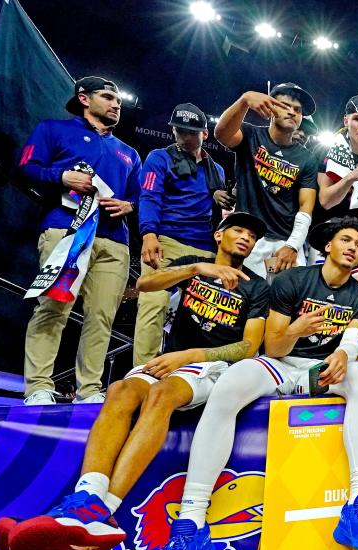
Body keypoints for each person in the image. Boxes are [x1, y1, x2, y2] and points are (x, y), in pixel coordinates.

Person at [0, 214, 269, 550]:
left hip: (208, 366)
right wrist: (196, 269)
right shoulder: (191, 266)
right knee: (121, 389)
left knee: (162, 394)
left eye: (252, 236)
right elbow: (145, 282)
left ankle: (104, 511)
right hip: (168, 360)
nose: (246, 238)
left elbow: (248, 347)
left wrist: (188, 357)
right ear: (219, 234)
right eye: (239, 230)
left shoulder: (258, 287)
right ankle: (85, 500)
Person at [130, 217, 358, 550]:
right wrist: (296, 331)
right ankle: (189, 526)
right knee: (230, 384)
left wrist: (344, 354)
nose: (353, 247)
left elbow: (355, 336)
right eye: (345, 240)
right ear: (327, 246)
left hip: (319, 371)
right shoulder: (291, 281)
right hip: (282, 362)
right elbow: (273, 346)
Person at [19, 76, 142, 405]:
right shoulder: (53, 130)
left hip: (115, 241)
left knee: (102, 317)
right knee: (54, 308)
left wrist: (130, 205)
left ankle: (88, 390)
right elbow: (26, 168)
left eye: (118, 100)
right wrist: (60, 176)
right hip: (66, 231)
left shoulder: (128, 152)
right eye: (108, 97)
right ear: (84, 99)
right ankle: (39, 387)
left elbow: (139, 197)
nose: (117, 104)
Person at [134, 103, 234, 365]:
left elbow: (217, 213)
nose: (185, 137)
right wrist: (149, 234)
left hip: (204, 247)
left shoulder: (217, 170)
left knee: (206, 312)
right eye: (180, 131)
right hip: (167, 241)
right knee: (152, 306)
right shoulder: (159, 157)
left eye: (192, 132)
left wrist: (221, 200)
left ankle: (195, 370)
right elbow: (149, 196)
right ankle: (142, 374)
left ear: (205, 134)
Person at [214, 82, 319, 278]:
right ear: (270, 106)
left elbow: (306, 207)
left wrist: (293, 245)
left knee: (284, 304)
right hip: (249, 238)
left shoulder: (307, 158)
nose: (292, 112)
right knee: (244, 298)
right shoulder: (250, 134)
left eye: (297, 110)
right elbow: (221, 134)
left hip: (284, 243)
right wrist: (244, 100)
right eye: (285, 106)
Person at [313, 94, 358, 285]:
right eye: (357, 118)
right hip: (327, 235)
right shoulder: (328, 149)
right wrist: (353, 176)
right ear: (346, 120)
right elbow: (326, 200)